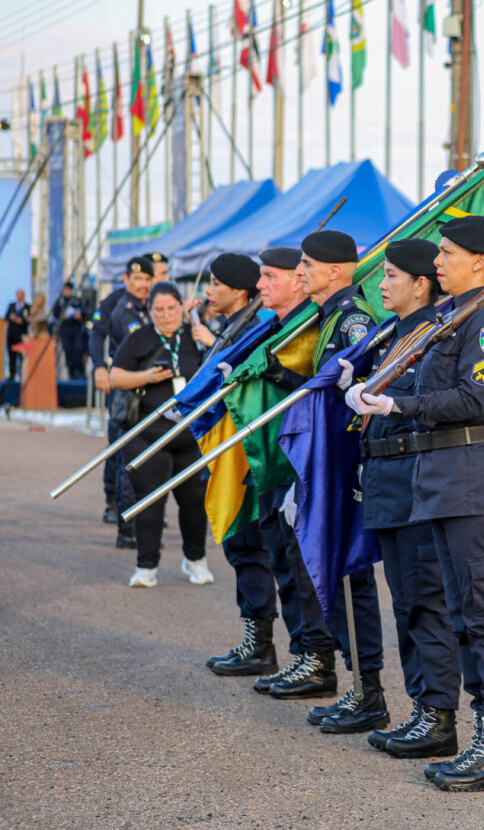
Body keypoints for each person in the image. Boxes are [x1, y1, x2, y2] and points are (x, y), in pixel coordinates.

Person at [347, 215, 484, 792]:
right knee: (464, 618)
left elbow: (475, 397)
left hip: (476, 478)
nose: (439, 262)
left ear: (480, 262)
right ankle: (478, 737)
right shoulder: (458, 317)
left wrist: (397, 406)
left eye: (447, 253)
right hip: (447, 479)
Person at [358, 238, 463, 760]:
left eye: (392, 275)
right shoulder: (392, 335)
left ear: (421, 285)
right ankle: (423, 707)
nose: (381, 284)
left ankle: (439, 715)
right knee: (405, 603)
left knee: (427, 602)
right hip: (387, 478)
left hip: (415, 476)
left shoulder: (432, 335)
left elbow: (427, 402)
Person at [287, 229, 386, 732]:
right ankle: (360, 687)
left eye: (306, 264)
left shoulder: (355, 321)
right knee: (342, 575)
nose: (299, 272)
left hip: (345, 467)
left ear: (334, 271)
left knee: (352, 575)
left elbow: (360, 395)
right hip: (328, 464)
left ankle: (370, 693)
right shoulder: (329, 316)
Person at [238, 247, 340, 701]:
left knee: (303, 564)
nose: (260, 285)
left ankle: (317, 659)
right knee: (283, 561)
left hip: (297, 458)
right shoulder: (274, 327)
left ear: (298, 281)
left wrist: (279, 374)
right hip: (270, 458)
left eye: (270, 276)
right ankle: (303, 652)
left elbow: (324, 392)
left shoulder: (312, 326)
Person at [198, 253, 285, 679]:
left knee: (249, 546)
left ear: (240, 290)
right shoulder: (235, 325)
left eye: (217, 283)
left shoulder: (255, 329)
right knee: (242, 549)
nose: (210, 291)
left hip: (246, 451)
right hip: (231, 451)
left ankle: (261, 645)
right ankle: (255, 639)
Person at [110, 281, 211, 588]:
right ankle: (146, 566)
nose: (166, 316)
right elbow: (115, 376)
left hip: (190, 432)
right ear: (149, 311)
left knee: (194, 501)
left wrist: (210, 339)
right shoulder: (138, 339)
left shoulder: (195, 336)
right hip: (148, 432)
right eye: (159, 310)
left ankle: (195, 560)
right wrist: (146, 376)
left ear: (182, 307)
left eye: (171, 309)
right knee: (150, 502)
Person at [90, 256, 154, 547]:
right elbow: (98, 333)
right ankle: (115, 507)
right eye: (137, 279)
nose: (142, 284)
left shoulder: (152, 305)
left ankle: (133, 517)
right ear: (127, 278)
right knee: (121, 450)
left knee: (138, 454)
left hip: (146, 389)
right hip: (125, 389)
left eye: (148, 279)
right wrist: (98, 366)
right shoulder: (120, 304)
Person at [49, 281, 87, 379]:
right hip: (65, 329)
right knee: (68, 351)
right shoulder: (60, 301)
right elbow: (55, 313)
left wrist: (79, 315)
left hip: (76, 329)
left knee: (77, 349)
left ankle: (78, 371)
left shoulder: (76, 301)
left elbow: (84, 312)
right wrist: (63, 316)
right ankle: (71, 372)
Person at [4, 289, 30, 381]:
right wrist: (14, 319)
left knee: (22, 356)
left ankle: (23, 374)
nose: (19, 297)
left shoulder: (28, 307)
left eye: (21, 295)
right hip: (11, 335)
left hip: (21, 336)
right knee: (12, 356)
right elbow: (6, 316)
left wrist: (21, 320)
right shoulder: (11, 306)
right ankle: (12, 375)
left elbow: (28, 320)